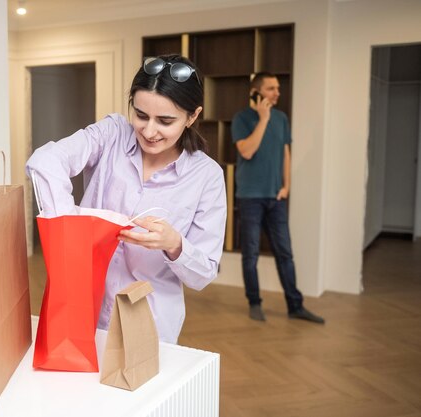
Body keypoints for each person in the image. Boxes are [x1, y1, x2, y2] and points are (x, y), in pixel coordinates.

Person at [26, 54, 227, 344]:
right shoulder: (112, 134)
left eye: (165, 121)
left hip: (150, 323)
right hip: (83, 310)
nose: (149, 131)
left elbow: (203, 273)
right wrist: (69, 225)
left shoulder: (207, 176)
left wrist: (174, 244)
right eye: (141, 115)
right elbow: (45, 161)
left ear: (192, 116)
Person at [231, 72, 324, 324]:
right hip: (250, 198)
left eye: (278, 88)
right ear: (256, 91)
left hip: (276, 198)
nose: (277, 93)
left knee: (285, 253)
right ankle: (254, 303)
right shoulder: (242, 118)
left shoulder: (282, 118)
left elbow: (285, 153)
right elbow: (247, 151)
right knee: (250, 254)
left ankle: (295, 305)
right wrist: (263, 119)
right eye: (271, 88)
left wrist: (287, 186)